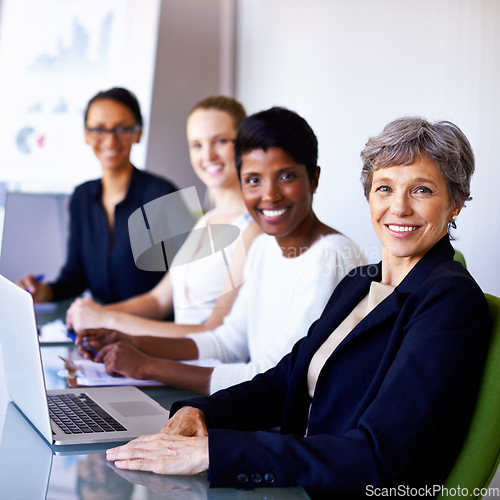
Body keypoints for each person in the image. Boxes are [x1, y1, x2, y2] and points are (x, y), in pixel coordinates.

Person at [105, 117, 491, 498]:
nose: (399, 207)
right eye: (384, 188)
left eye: (421, 190)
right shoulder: (360, 281)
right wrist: (200, 412)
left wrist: (215, 452)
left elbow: (376, 454)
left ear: (454, 203)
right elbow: (283, 382)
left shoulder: (449, 301)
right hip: (296, 482)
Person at [75, 107, 366, 395]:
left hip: (300, 430)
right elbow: (227, 341)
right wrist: (133, 342)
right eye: (254, 180)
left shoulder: (331, 256)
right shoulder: (264, 247)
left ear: (313, 178)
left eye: (286, 176)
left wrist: (147, 366)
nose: (269, 195)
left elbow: (275, 378)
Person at [65, 95, 261, 337]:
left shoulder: (254, 228)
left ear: (245, 145)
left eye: (220, 141)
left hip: (202, 367)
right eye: (197, 145)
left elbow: (215, 334)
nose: (208, 155)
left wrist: (107, 318)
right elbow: (159, 301)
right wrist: (91, 314)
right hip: (178, 363)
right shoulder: (207, 220)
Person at [17, 87, 179, 304]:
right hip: (101, 330)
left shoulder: (163, 195)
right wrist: (44, 292)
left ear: (138, 132)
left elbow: (184, 283)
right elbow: (76, 276)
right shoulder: (82, 197)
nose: (110, 141)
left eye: (122, 129)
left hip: (151, 331)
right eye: (99, 129)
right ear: (86, 133)